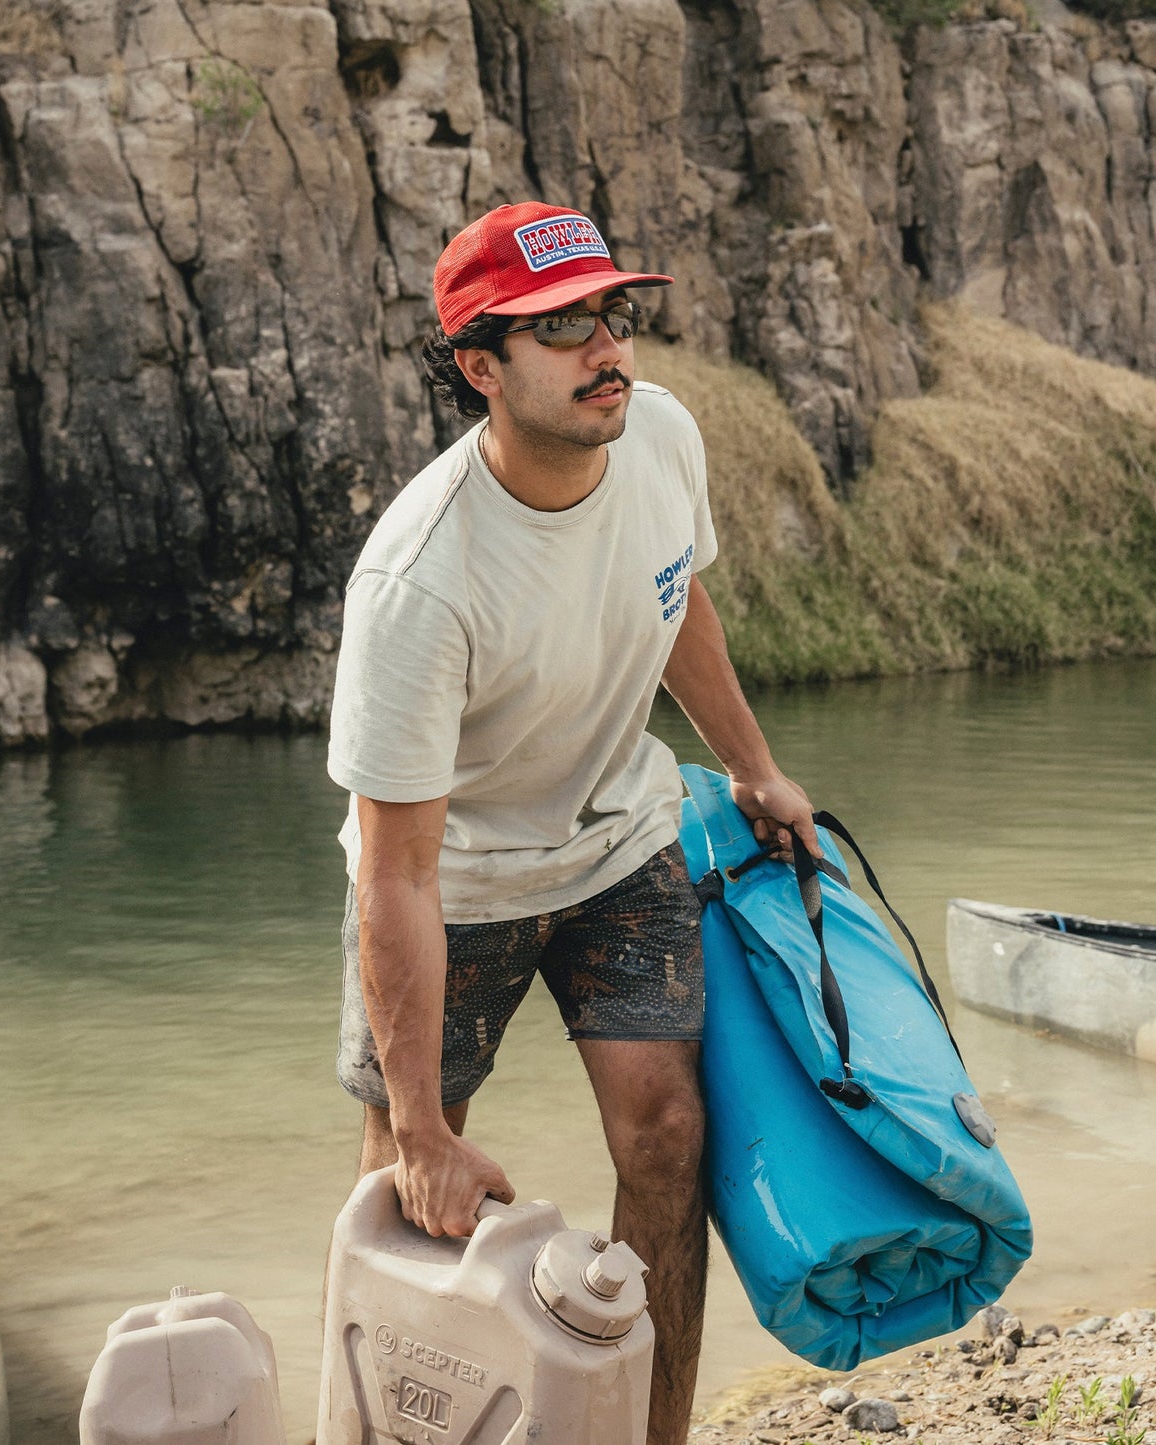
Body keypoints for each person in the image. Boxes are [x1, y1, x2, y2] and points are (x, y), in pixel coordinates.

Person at [326, 200, 817, 1445]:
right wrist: (429, 1128)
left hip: (617, 842)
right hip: (460, 882)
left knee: (669, 1133)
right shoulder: (418, 579)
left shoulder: (658, 433)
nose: (605, 347)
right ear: (480, 368)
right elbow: (395, 872)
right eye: (559, 327)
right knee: (402, 1192)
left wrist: (754, 769)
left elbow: (678, 598)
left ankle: (650, 1434)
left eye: (612, 313)